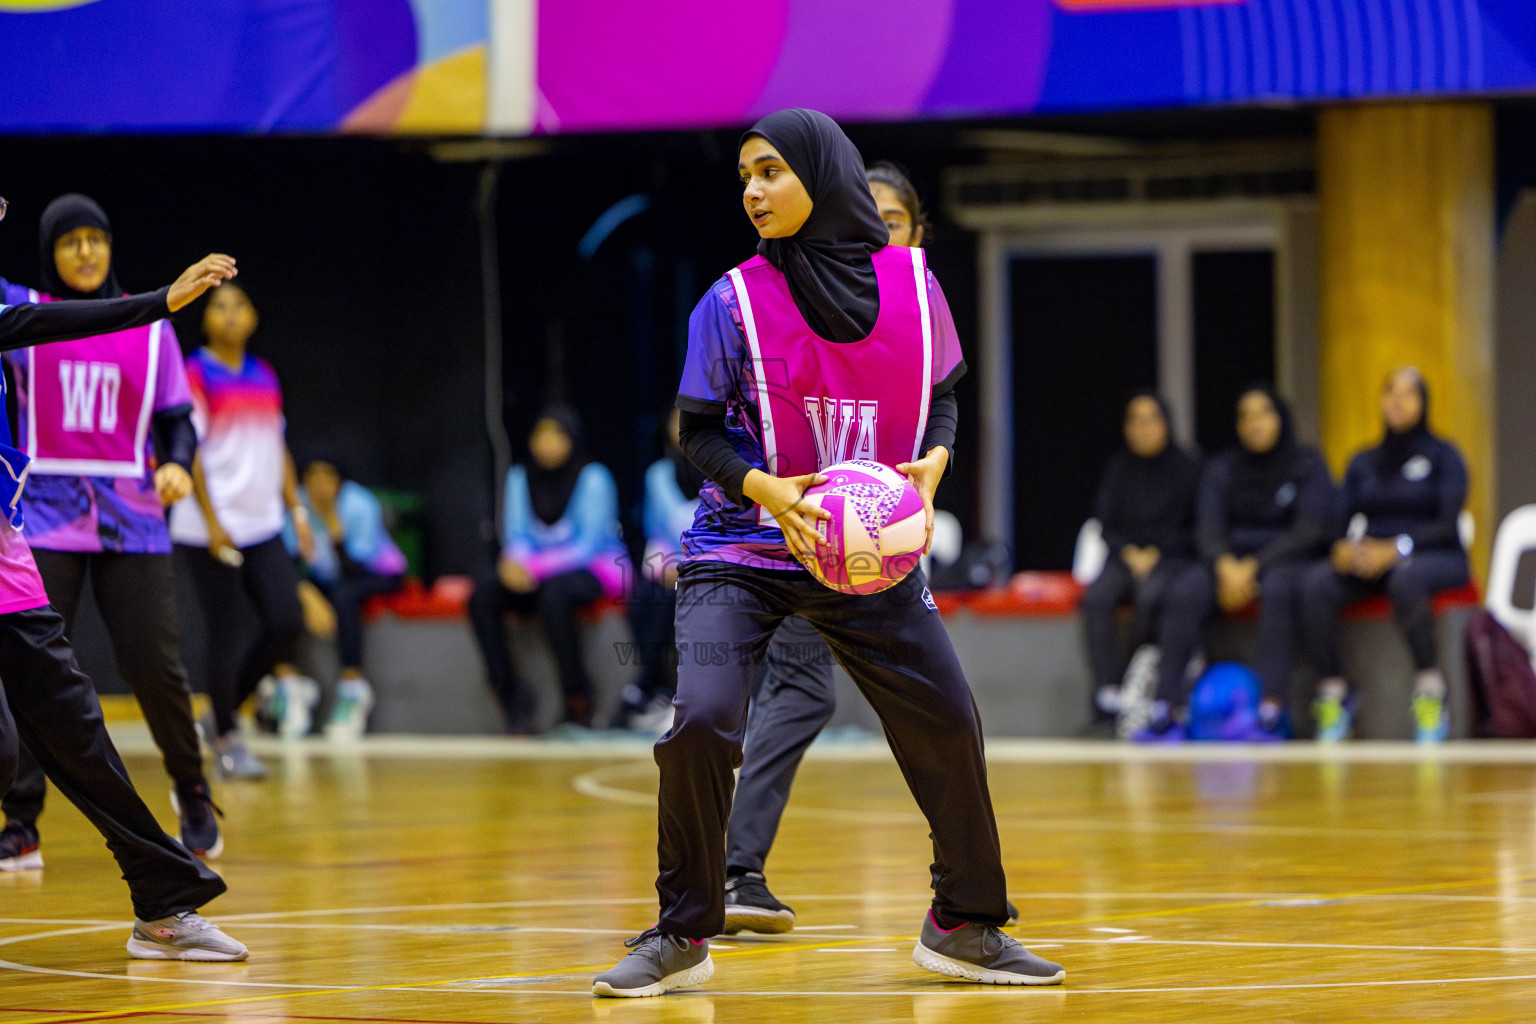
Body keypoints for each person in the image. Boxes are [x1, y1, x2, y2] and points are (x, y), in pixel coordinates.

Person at [592, 110, 1064, 997]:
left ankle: (964, 923)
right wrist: (765, 489)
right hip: (744, 547)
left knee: (950, 721)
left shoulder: (917, 290)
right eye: (744, 177)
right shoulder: (729, 301)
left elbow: (945, 399)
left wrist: (935, 462)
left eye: (770, 171)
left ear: (823, 175)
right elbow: (694, 432)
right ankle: (681, 932)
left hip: (865, 556)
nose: (752, 192)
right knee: (700, 721)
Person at [0, 190, 245, 958]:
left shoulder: (26, 315)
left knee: (74, 720)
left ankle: (165, 897)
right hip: (45, 522)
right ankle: (22, 827)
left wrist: (158, 303)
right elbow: (42, 320)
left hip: (16, 549)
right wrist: (159, 300)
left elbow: (49, 325)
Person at [719, 161, 938, 936]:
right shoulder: (797, 297)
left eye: (894, 222)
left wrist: (932, 465)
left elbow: (939, 407)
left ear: (917, 235)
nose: (875, 234)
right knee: (802, 693)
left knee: (936, 708)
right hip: (808, 535)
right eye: (865, 217)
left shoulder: (916, 306)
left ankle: (969, 889)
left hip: (886, 543)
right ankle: (735, 872)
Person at [169, 282, 316, 775]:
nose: (230, 315)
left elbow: (280, 449)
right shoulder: (195, 373)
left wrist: (297, 513)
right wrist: (212, 522)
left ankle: (222, 713)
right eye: (219, 306)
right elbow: (188, 451)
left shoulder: (264, 374)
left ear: (253, 317)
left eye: (239, 305)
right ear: (206, 318)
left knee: (285, 621)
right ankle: (229, 736)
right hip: (209, 526)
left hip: (264, 523)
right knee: (227, 632)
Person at [1298, 368, 1469, 743]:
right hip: (1374, 558)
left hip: (1433, 554)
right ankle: (1334, 692)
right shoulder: (1364, 461)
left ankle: (1430, 690)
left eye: (1408, 393)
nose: (1397, 400)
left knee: (1407, 578)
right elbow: (1338, 522)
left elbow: (1445, 524)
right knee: (1315, 583)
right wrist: (1341, 548)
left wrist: (1396, 548)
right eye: (1390, 391)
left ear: (1423, 403)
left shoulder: (1444, 456)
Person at [1173, 386, 1333, 739]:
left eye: (1263, 413)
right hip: (1231, 563)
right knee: (1186, 587)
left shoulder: (1306, 464)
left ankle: (1270, 706)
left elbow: (1310, 530)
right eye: (1245, 416)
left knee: (1279, 587)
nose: (1254, 423)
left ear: (1281, 418)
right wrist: (1224, 565)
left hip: (1287, 559)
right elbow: (1208, 529)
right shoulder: (1223, 468)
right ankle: (1170, 707)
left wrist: (1253, 567)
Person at [468, 406, 627, 733]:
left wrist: (534, 568)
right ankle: (510, 695)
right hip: (535, 572)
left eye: (556, 435)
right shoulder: (519, 477)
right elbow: (518, 534)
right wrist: (513, 563)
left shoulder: (593, 477)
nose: (547, 443)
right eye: (541, 435)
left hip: (595, 569)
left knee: (554, 595)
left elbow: (587, 546)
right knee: (483, 595)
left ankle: (577, 698)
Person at [1078, 391, 1204, 732]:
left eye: (1150, 419)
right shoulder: (1118, 468)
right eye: (1134, 420)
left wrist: (1157, 554)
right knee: (1097, 598)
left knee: (1153, 597)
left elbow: (1196, 527)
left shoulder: (1188, 467)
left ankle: (1146, 691)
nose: (1142, 428)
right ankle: (1108, 694)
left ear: (1166, 424)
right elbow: (1104, 522)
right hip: (1124, 557)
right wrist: (1129, 553)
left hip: (1171, 558)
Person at [286, 457, 407, 739]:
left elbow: (352, 568)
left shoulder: (360, 503)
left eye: (327, 478)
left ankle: (352, 687)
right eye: (312, 478)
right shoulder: (298, 505)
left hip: (377, 571)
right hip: (326, 575)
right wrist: (307, 595)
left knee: (344, 596)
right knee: (284, 595)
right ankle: (288, 684)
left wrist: (332, 524)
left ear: (340, 481)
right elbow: (289, 561)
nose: (319, 486)